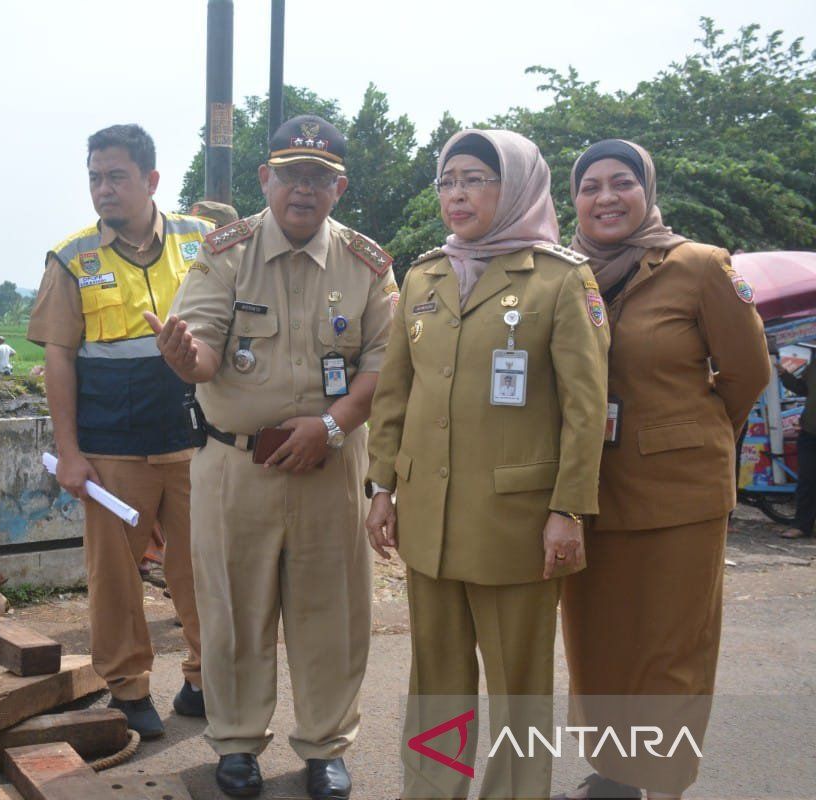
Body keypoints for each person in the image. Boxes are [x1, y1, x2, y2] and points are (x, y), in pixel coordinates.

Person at [149, 114, 396, 800]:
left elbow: (383, 364)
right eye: (291, 174)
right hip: (237, 468)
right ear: (266, 179)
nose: (303, 189)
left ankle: (324, 748)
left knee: (333, 614)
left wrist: (333, 423)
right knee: (233, 611)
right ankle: (235, 744)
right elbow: (200, 348)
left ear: (338, 187)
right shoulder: (226, 253)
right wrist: (183, 357)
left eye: (318, 177)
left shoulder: (368, 263)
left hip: (331, 465)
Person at [364, 129, 610, 799]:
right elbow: (395, 393)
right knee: (435, 676)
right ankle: (432, 791)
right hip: (429, 521)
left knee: (517, 685)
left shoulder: (559, 278)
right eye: (448, 180)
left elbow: (587, 411)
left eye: (475, 178)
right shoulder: (425, 274)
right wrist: (380, 486)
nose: (458, 193)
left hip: (518, 524)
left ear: (518, 186)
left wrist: (569, 510)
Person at [556, 139, 771, 799]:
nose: (606, 198)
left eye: (622, 182)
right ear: (575, 200)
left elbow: (747, 373)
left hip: (679, 496)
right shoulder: (565, 272)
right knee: (598, 644)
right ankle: (615, 775)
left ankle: (665, 783)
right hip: (589, 490)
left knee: (671, 651)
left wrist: (690, 438)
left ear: (648, 191)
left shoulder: (699, 266)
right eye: (590, 186)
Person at [27, 124, 211, 739]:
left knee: (204, 569)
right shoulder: (72, 258)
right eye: (94, 178)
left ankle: (205, 680)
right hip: (112, 454)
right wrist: (70, 452)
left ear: (151, 180)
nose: (103, 189)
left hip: (197, 444)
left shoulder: (204, 241)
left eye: (116, 177)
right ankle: (129, 691)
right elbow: (58, 359)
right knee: (115, 581)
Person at [776, 355, 816, 539]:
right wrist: (784, 374)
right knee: (807, 480)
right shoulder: (814, 363)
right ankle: (801, 525)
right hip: (810, 431)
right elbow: (802, 388)